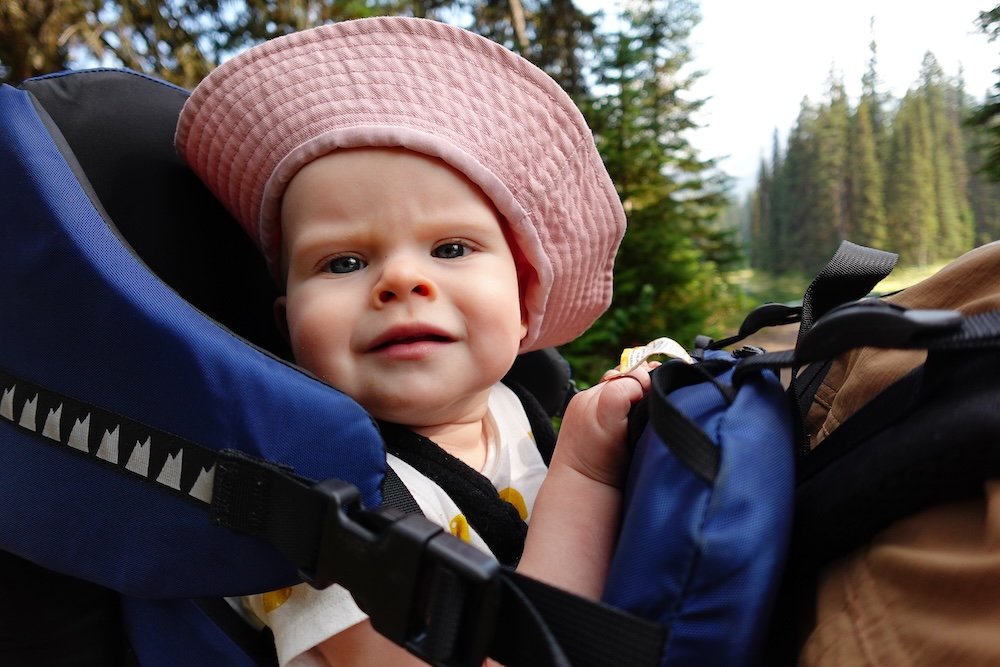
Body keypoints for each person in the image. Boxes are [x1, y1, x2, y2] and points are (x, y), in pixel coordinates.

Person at [176, 15, 651, 666]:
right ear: (288, 325)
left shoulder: (518, 411)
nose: (401, 279)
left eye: (451, 247)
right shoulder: (312, 514)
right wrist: (587, 473)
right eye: (342, 262)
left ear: (523, 305)